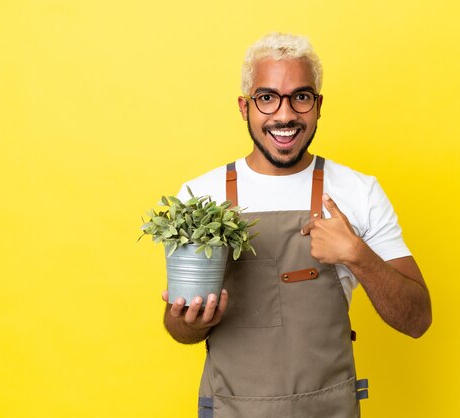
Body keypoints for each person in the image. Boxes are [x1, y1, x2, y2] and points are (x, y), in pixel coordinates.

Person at [161, 33, 432, 418]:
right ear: (244, 107)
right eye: (267, 97)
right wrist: (189, 321)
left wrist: (357, 255)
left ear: (318, 105)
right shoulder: (199, 197)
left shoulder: (359, 191)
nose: (285, 115)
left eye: (300, 97)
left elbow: (418, 319)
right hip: (231, 409)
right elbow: (178, 330)